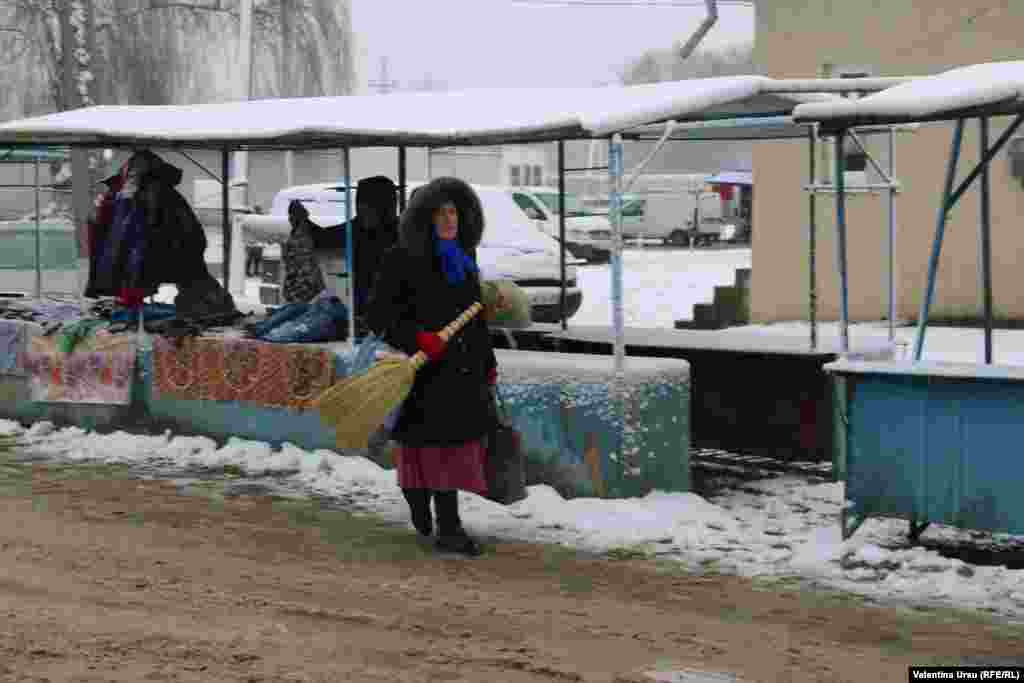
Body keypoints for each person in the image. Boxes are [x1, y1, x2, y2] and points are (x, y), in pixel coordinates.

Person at [367, 176, 498, 557]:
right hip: (423, 373)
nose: (449, 219)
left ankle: (449, 527)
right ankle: (419, 499)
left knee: (453, 449)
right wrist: (417, 337)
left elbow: (476, 318)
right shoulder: (402, 257)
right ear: (424, 218)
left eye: (454, 211)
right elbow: (378, 314)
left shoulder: (464, 256)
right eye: (440, 212)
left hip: (463, 370)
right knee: (427, 448)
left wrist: (487, 362)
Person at [304, 176, 400, 332]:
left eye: (366, 207)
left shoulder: (404, 233)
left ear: (383, 208)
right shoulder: (356, 228)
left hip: (394, 314)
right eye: (359, 207)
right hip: (362, 311)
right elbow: (323, 237)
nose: (361, 211)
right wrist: (304, 220)